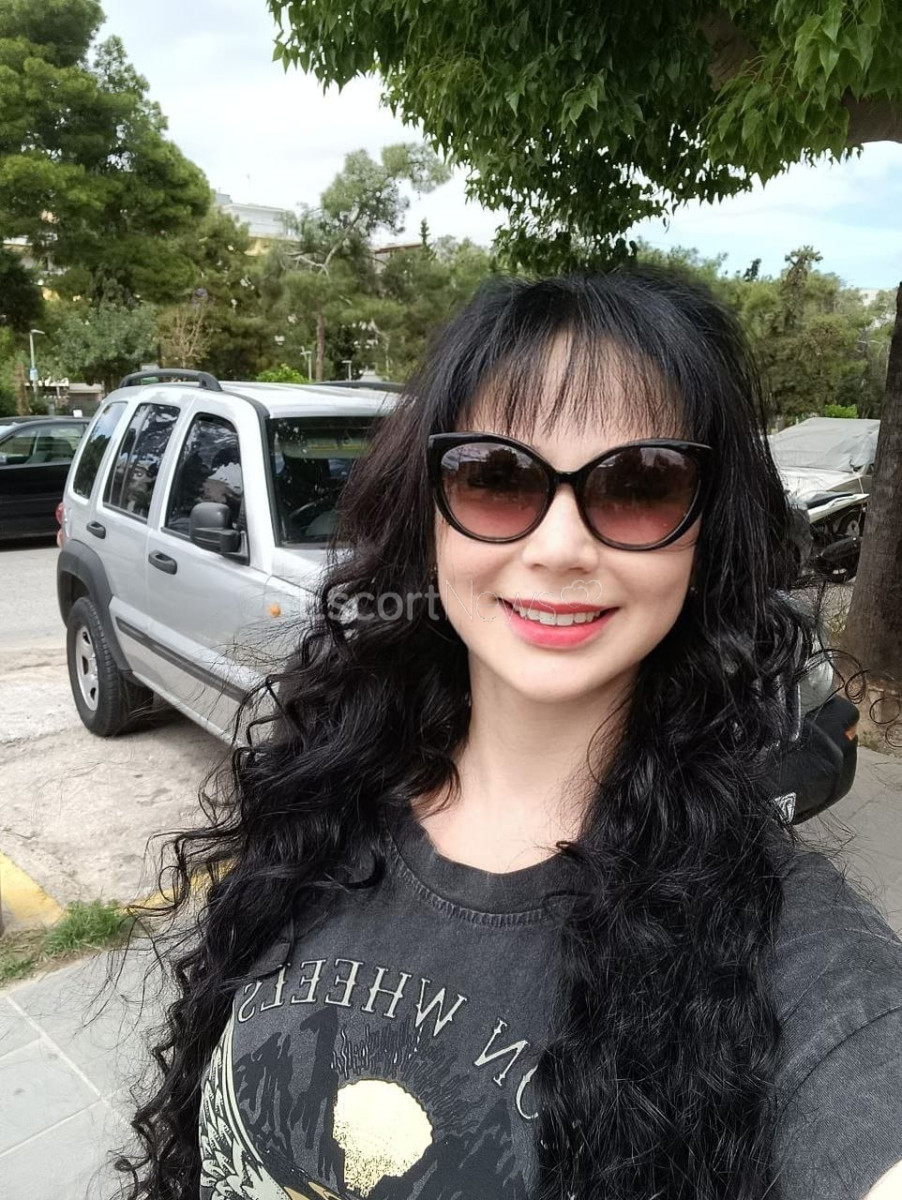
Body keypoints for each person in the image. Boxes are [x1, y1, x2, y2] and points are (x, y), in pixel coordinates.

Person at [120, 270, 902, 1200]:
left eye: (641, 484)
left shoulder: (794, 953)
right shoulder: (322, 788)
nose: (561, 548)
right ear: (429, 513)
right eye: (496, 476)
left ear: (704, 539)